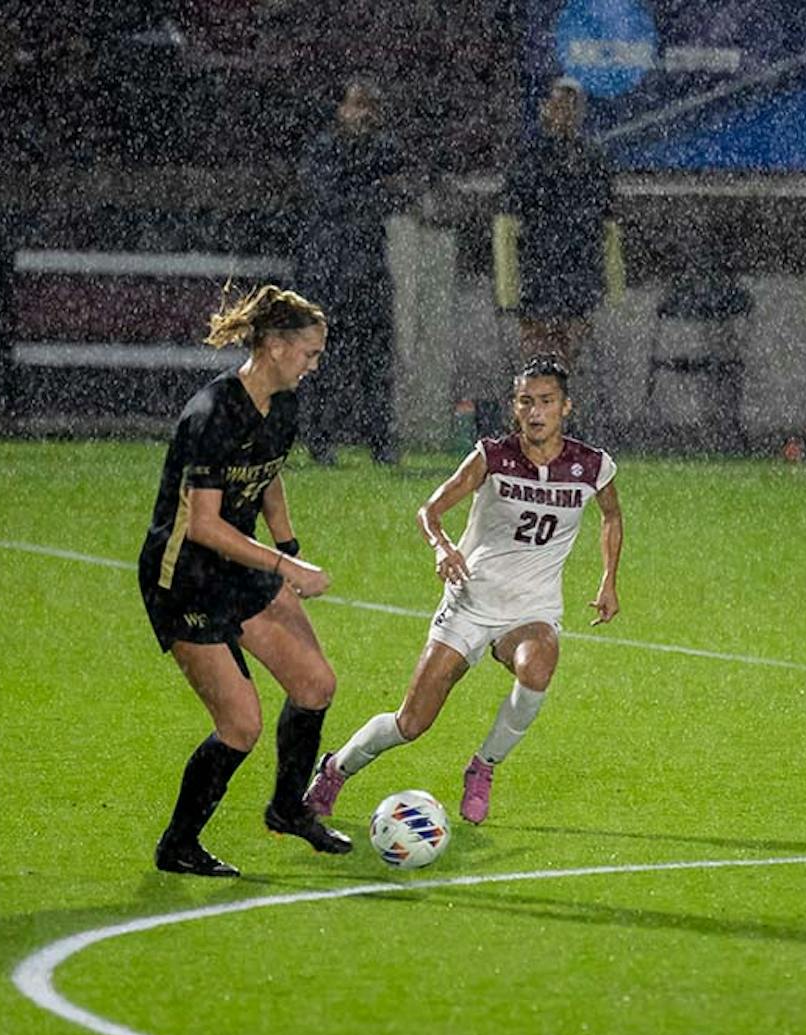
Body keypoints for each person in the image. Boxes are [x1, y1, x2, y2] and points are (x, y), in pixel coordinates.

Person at [304, 353, 624, 826]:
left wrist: (608, 578)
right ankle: (336, 768)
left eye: (546, 402)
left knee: (538, 666)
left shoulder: (591, 466)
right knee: (411, 724)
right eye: (525, 402)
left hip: (530, 609)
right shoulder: (492, 456)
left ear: (566, 407)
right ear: (514, 407)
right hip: (471, 603)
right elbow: (429, 510)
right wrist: (442, 547)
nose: (535, 412)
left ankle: (483, 767)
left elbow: (612, 515)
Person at [142, 284, 351, 877]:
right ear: (277, 346)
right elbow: (204, 525)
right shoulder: (212, 414)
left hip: (242, 563)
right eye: (310, 353)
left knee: (314, 684)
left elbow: (268, 477)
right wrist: (286, 568)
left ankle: (287, 810)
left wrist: (286, 544)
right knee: (241, 725)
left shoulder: (281, 404)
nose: (315, 365)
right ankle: (177, 845)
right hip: (185, 577)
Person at [293, 77, 409, 465]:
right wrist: (372, 190)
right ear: (341, 109)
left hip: (368, 272)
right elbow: (329, 200)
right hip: (330, 270)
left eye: (370, 107)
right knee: (323, 361)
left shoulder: (384, 150)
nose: (363, 114)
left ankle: (380, 442)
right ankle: (321, 441)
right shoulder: (324, 150)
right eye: (357, 105)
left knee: (375, 361)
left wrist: (368, 191)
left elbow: (397, 190)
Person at [493, 76, 625, 372]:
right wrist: (508, 287)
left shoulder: (591, 159)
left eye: (570, 107)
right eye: (557, 106)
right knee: (539, 352)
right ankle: (543, 408)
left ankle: (553, 407)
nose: (563, 114)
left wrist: (607, 280)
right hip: (539, 271)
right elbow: (509, 223)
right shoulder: (530, 158)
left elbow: (606, 223)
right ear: (544, 109)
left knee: (564, 352)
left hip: (577, 272)